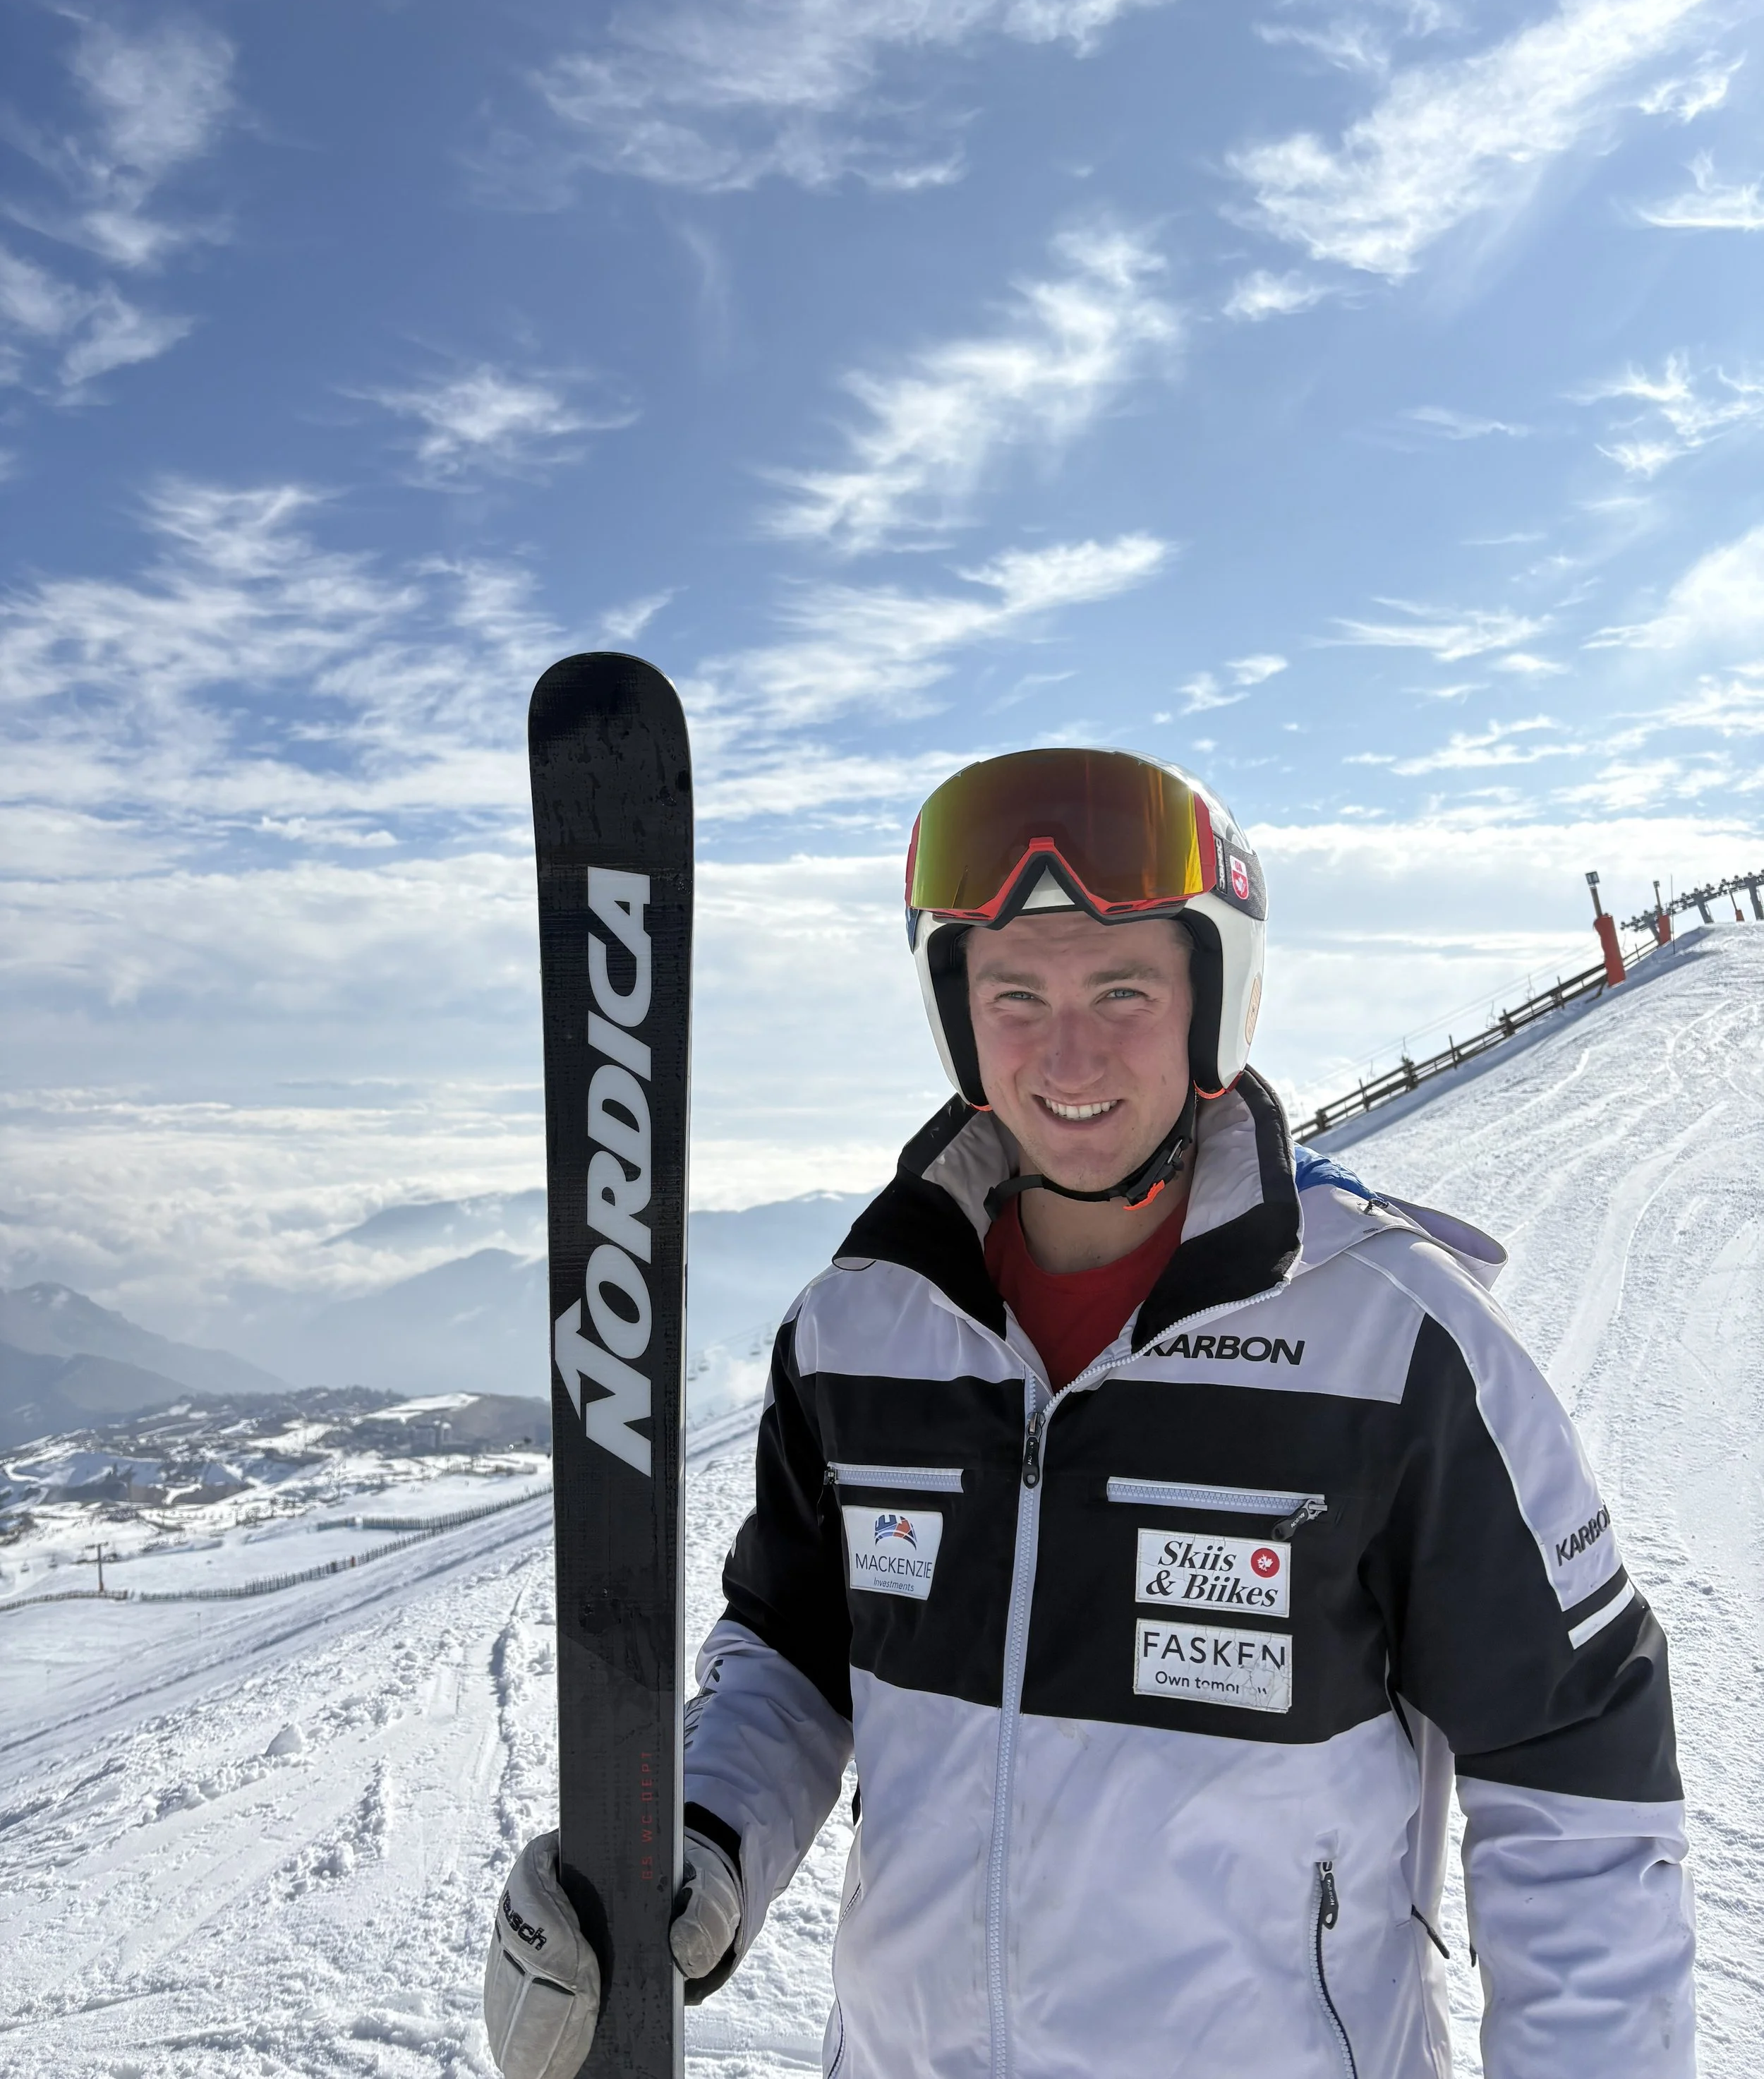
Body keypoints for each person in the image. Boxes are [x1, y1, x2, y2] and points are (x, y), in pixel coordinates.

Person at [486, 747, 1695, 2078]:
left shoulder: (1392, 1344)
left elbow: (1578, 1788)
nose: (1067, 1053)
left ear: (1211, 1004)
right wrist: (696, 1843)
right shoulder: (860, 1331)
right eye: (1015, 994)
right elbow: (791, 1646)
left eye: (1122, 987)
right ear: (960, 1015)